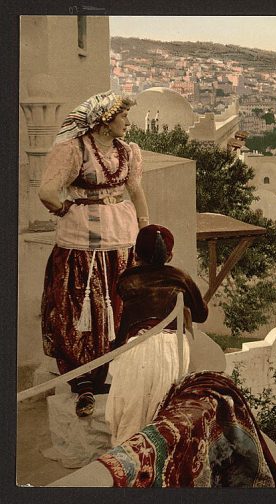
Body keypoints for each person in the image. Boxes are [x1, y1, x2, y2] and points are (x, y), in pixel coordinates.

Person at [39, 90, 150, 417]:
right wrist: (65, 210)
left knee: (118, 304)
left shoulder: (126, 152)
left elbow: (136, 191)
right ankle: (83, 379)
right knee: (81, 306)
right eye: (123, 116)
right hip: (82, 243)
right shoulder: (74, 150)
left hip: (120, 238)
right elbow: (47, 191)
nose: (128, 122)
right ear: (104, 120)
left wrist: (145, 229)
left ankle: (112, 371)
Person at [105, 224, 209, 445]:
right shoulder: (180, 277)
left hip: (136, 348)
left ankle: (125, 469)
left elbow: (121, 320)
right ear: (169, 254)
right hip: (173, 350)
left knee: (129, 420)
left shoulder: (126, 280)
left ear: (136, 253)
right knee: (162, 418)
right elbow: (201, 315)